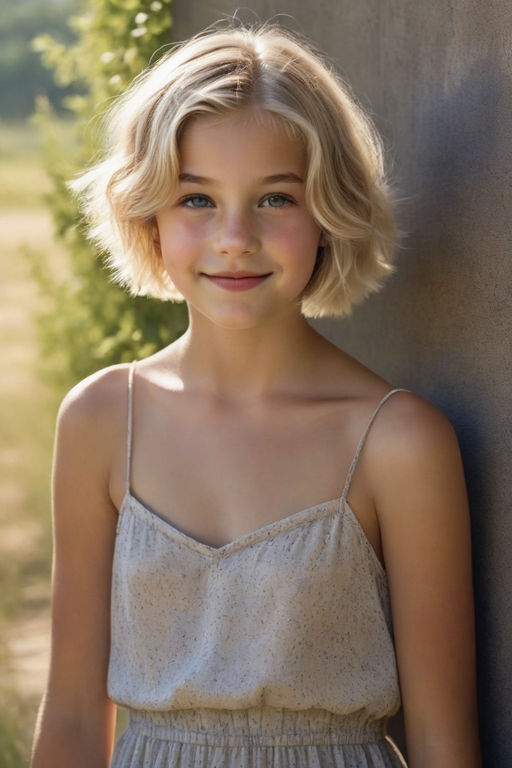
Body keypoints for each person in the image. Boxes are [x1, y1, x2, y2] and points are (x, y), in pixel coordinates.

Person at [31, 22, 481, 768]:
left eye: (275, 199)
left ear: (329, 212)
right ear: (149, 215)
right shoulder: (102, 421)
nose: (234, 236)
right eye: (196, 199)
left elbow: (442, 744)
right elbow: (77, 717)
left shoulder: (399, 442)